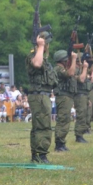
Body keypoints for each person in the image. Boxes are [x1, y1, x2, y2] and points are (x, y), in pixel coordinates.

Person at [26, 32, 58, 164]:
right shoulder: (34, 55)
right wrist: (40, 46)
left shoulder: (42, 56)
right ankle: (40, 154)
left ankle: (37, 154)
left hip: (42, 95)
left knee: (40, 125)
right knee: (43, 126)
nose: (46, 45)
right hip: (38, 95)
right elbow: (37, 64)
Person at [53, 50, 78, 152]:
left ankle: (61, 142)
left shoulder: (62, 68)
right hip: (63, 97)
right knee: (63, 119)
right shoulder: (58, 69)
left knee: (65, 119)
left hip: (66, 96)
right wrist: (74, 59)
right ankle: (59, 143)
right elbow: (71, 73)